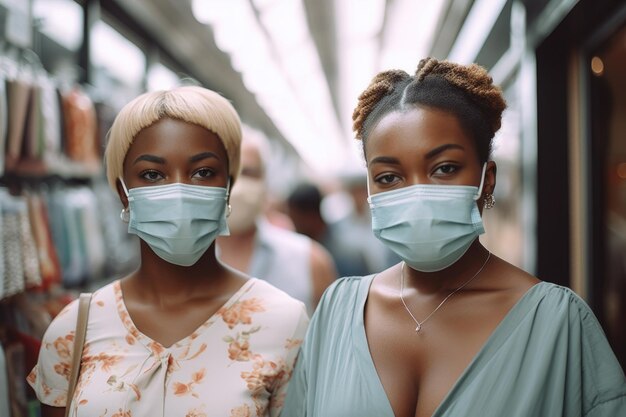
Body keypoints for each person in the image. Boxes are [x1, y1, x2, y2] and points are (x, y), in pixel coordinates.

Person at [281, 58, 626, 417]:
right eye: (388, 177)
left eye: (444, 169)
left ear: (486, 180)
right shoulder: (337, 312)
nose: (416, 195)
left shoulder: (558, 324)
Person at [27, 86, 309, 417]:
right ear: (123, 193)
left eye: (203, 172)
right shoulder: (74, 330)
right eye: (152, 174)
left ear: (227, 187)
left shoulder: (282, 323)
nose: (178, 191)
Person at [217, 128, 336, 314]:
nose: (237, 186)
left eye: (248, 173)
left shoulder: (310, 261)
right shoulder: (175, 266)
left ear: (266, 180)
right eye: (226, 173)